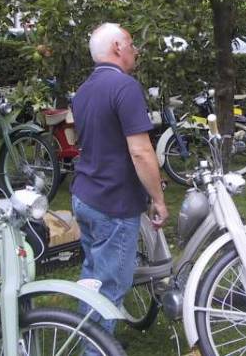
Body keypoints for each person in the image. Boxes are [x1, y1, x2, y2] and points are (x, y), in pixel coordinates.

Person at [71, 23, 168, 344]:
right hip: (113, 203)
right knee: (110, 288)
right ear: (116, 48)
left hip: (85, 196)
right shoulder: (125, 87)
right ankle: (95, 348)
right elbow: (140, 151)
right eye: (130, 43)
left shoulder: (83, 91)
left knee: (93, 277)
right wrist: (159, 199)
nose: (135, 50)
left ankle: (81, 334)